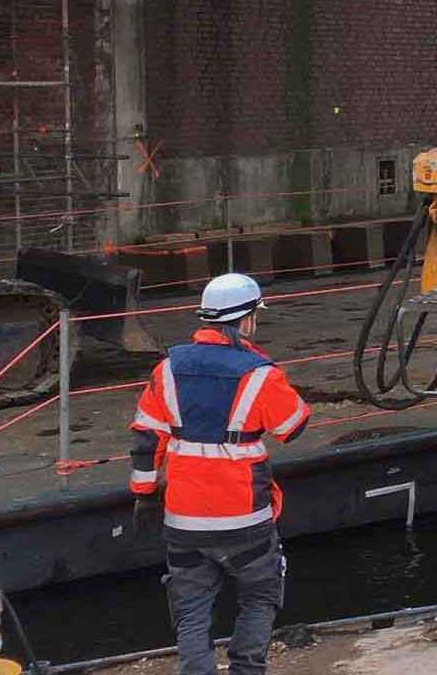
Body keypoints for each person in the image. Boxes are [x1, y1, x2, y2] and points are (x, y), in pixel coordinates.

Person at [129, 273, 311, 675]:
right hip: (246, 519)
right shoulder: (261, 373)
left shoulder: (167, 369)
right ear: (247, 320)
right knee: (260, 596)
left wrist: (144, 494)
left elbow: (147, 436)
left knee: (191, 608)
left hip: (182, 518)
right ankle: (247, 669)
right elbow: (293, 425)